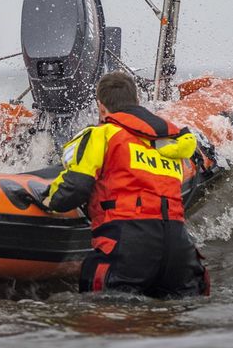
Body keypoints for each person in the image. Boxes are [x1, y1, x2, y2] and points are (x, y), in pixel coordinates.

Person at [41, 72, 209, 298]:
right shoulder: (171, 140)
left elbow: (76, 186)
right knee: (171, 323)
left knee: (108, 318)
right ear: (137, 102)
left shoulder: (102, 135)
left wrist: (48, 200)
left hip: (128, 242)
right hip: (179, 246)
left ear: (101, 107)